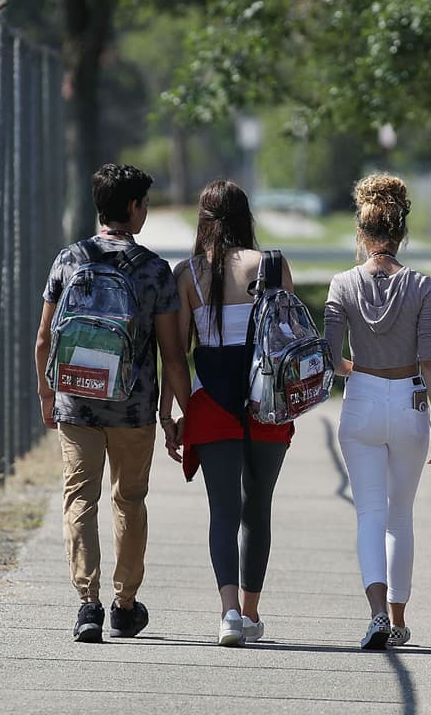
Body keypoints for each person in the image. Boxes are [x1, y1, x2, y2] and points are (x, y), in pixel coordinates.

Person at [34, 163, 191, 643]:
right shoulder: (153, 270)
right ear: (132, 208)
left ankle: (88, 605)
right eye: (143, 203)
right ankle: (124, 606)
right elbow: (172, 354)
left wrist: (47, 395)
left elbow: (44, 339)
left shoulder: (70, 259)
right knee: (130, 500)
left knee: (80, 498)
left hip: (76, 400)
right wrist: (173, 413)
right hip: (133, 406)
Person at [159, 180, 295, 647]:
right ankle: (253, 614)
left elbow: (175, 355)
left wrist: (176, 410)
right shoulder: (272, 266)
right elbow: (290, 342)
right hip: (268, 402)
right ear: (246, 217)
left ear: (203, 219)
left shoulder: (189, 273)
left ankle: (230, 614)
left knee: (223, 510)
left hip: (211, 400)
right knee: (258, 508)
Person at [324, 173, 431, 650]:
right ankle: (398, 618)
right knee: (401, 516)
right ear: (401, 232)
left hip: (362, 400)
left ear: (362, 232)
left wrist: (358, 366)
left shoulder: (342, 284)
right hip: (411, 400)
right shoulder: (421, 285)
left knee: (369, 515)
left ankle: (376, 612)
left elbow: (331, 358)